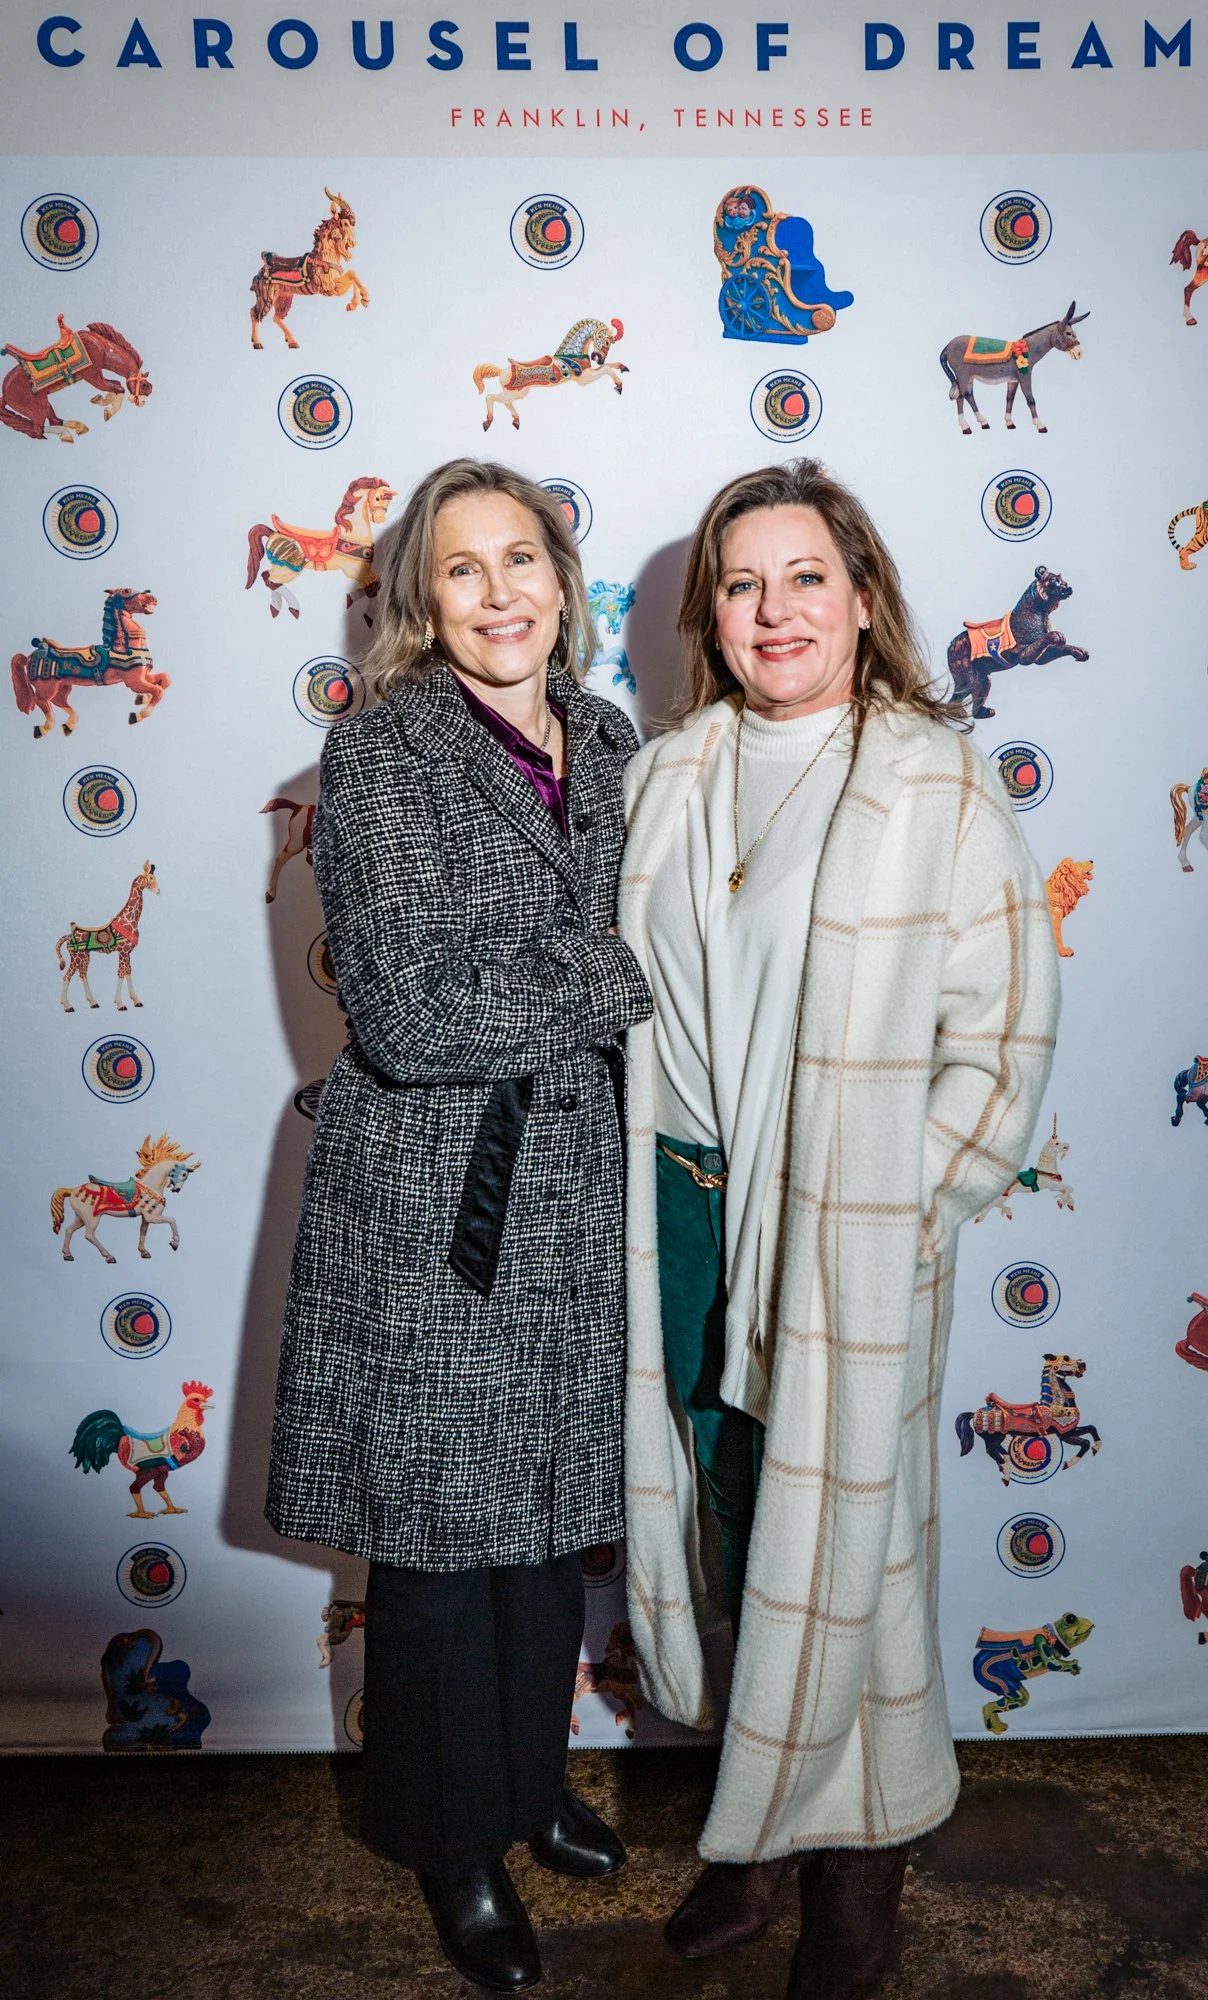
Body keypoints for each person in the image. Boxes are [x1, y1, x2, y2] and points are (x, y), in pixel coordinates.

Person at [617, 459, 1060, 2000]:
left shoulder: (931, 781)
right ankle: (759, 1847)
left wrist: (893, 1216)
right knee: (740, 1537)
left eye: (806, 576)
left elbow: (1000, 1053)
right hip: (679, 1212)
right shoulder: (671, 772)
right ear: (709, 616)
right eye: (742, 585)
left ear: (861, 599)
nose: (774, 610)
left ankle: (856, 1890)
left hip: (839, 1236)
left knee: (850, 1556)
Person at [265, 458, 652, 1994]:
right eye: (462, 570)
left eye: (524, 561)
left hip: (582, 1189)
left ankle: (525, 1780)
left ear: (565, 579)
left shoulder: (615, 741)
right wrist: (625, 978)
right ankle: (449, 1842)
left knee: (551, 1518)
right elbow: (415, 1013)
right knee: (439, 1541)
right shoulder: (385, 750)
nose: (501, 595)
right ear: (421, 601)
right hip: (437, 1199)